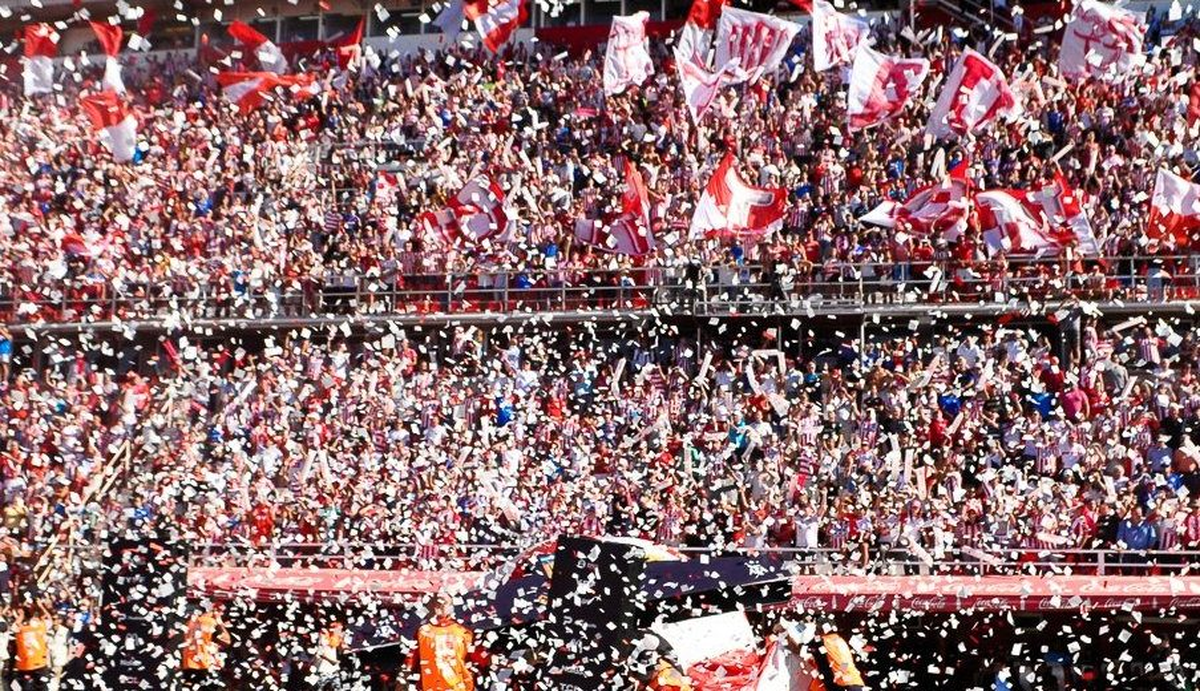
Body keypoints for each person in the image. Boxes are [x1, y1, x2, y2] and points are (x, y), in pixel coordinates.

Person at [414, 595, 476, 691]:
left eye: (445, 605)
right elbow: (415, 659)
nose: (442, 608)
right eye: (438, 605)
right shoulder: (422, 632)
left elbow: (472, 657)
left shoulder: (463, 632)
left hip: (456, 686)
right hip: (433, 686)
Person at [179, 604, 231, 691]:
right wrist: (219, 621)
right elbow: (226, 640)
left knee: (189, 684)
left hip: (189, 661)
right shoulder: (210, 623)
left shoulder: (190, 622)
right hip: (201, 663)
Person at [13, 599, 53, 691]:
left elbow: (14, 626)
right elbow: (49, 619)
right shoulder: (40, 626)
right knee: (41, 687)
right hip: (37, 665)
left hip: (26, 666)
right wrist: (41, 606)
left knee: (23, 687)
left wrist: (21, 615)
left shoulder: (20, 629)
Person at [308, 620, 346, 690]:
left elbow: (336, 660)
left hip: (331, 671)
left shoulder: (334, 643)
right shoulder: (323, 637)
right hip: (324, 671)